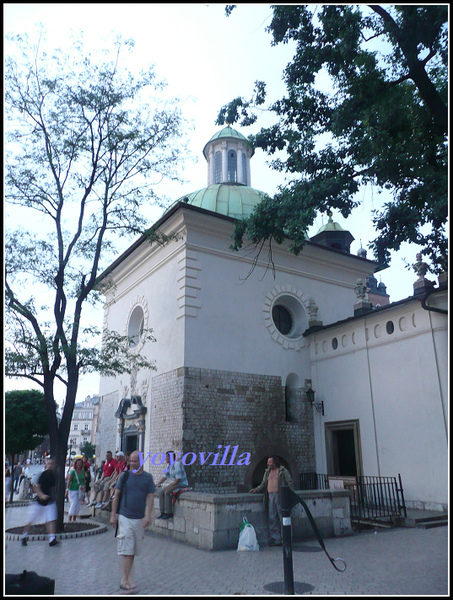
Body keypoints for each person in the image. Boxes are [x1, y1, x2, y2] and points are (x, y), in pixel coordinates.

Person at [110, 450, 155, 594]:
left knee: (133, 550)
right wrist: (113, 515)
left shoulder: (148, 478)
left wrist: (148, 516)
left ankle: (127, 578)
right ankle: (125, 580)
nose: (131, 464)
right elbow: (116, 496)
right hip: (125, 517)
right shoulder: (124, 476)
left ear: (141, 461)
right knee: (127, 550)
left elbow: (151, 497)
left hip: (139, 518)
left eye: (135, 461)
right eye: (130, 461)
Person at [250, 456, 293, 546]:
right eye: (267, 462)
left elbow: (290, 482)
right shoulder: (267, 472)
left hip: (280, 495)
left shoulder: (282, 471)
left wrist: (289, 494)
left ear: (274, 463)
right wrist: (256, 490)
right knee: (272, 517)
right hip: (270, 496)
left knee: (282, 516)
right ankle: (276, 538)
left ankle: (285, 537)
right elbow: (263, 483)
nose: (268, 464)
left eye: (269, 462)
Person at [21, 458, 60, 547]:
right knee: (30, 520)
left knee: (51, 519)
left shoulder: (55, 475)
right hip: (39, 502)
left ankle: (52, 539)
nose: (50, 465)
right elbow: (35, 487)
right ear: (46, 465)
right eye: (48, 463)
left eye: (52, 464)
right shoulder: (42, 475)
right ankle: (24, 536)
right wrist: (41, 495)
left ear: (54, 465)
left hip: (50, 502)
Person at [155, 451, 188, 519]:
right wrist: (157, 484)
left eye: (166, 457)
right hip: (175, 483)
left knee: (167, 491)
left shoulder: (177, 465)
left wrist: (170, 486)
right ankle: (162, 512)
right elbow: (165, 477)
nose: (165, 459)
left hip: (181, 484)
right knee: (161, 493)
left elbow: (178, 479)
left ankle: (168, 512)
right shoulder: (169, 466)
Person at [65, 457, 86, 522]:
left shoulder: (82, 471)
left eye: (80, 463)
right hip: (73, 489)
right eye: (78, 463)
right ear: (76, 464)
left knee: (78, 505)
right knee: (74, 504)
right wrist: (67, 490)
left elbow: (83, 481)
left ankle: (74, 519)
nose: (79, 464)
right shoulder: (73, 471)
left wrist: (84, 491)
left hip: (79, 490)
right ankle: (69, 519)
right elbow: (69, 481)